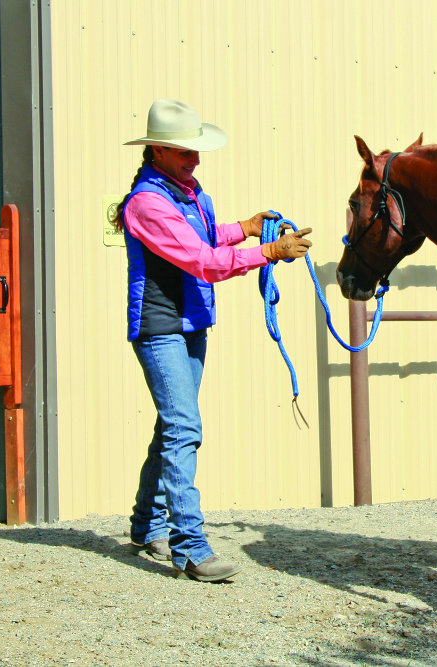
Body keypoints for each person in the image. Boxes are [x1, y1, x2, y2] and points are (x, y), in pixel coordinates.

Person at [113, 98, 312, 582]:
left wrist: (242, 229)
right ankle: (189, 546)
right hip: (161, 328)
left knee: (172, 427)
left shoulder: (188, 193)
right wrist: (266, 249)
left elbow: (204, 238)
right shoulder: (148, 203)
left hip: (189, 324)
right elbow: (200, 260)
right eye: (185, 152)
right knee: (184, 427)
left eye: (195, 150)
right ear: (157, 151)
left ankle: (146, 524)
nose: (195, 159)